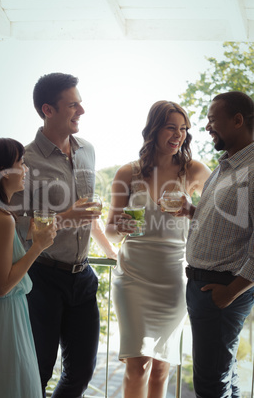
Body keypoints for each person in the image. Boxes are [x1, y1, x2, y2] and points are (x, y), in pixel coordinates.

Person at [11, 73, 117, 398]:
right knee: (39, 371)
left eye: (80, 102)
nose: (81, 110)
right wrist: (66, 218)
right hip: (42, 278)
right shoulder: (25, 161)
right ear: (48, 109)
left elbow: (85, 208)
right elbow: (17, 226)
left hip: (83, 277)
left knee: (81, 373)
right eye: (73, 104)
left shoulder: (89, 151)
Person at [105, 100, 211, 397]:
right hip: (133, 278)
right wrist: (120, 227)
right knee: (137, 364)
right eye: (171, 128)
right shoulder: (128, 173)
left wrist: (193, 211)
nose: (178, 135)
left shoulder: (195, 171)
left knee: (162, 366)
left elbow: (218, 214)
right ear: (153, 129)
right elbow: (111, 231)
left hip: (173, 279)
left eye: (183, 129)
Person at [179, 91, 254, 397]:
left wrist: (230, 291)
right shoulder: (225, 166)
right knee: (224, 377)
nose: (207, 127)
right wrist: (192, 212)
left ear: (237, 120)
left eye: (212, 120)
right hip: (206, 288)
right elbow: (231, 221)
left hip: (222, 290)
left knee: (210, 384)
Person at [0, 137, 56, 398]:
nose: (26, 170)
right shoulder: (1, 219)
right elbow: (1, 286)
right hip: (4, 320)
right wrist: (38, 246)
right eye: (21, 163)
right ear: (3, 172)